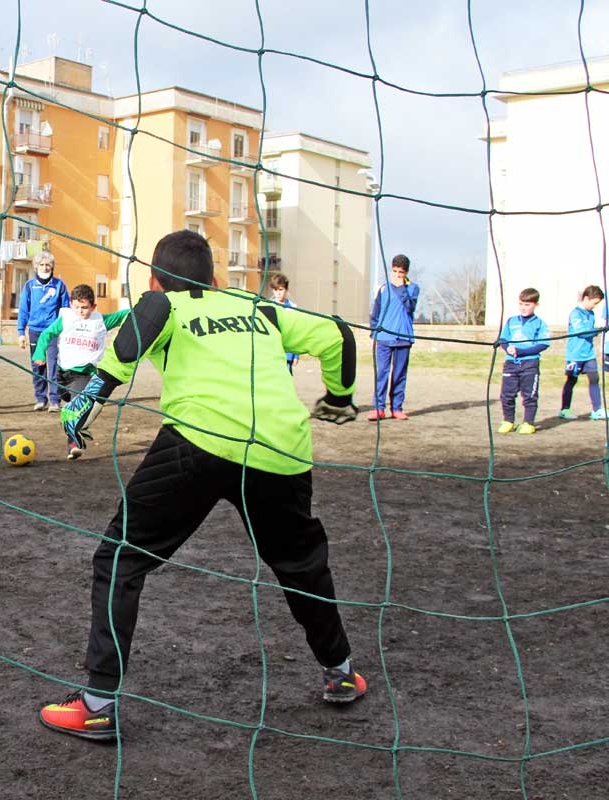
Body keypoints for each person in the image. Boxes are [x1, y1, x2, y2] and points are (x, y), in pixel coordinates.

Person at [39, 230, 364, 741]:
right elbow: (338, 334)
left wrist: (89, 397)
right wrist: (340, 397)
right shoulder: (261, 309)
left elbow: (147, 316)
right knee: (300, 566)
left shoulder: (164, 304)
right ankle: (341, 673)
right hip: (279, 449)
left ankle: (97, 706)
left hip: (198, 443)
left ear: (155, 279)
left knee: (119, 559)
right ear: (215, 280)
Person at [31, 283, 129, 459]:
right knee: (68, 399)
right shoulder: (66, 318)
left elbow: (123, 315)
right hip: (62, 374)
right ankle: (72, 402)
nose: (80, 311)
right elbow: (47, 334)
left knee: (76, 409)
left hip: (84, 375)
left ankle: (74, 444)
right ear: (71, 304)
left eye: (85, 308)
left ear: (93, 306)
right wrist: (39, 353)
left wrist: (142, 309)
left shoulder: (100, 321)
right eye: (76, 307)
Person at [17, 251, 70, 412]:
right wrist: (21, 333)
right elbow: (23, 311)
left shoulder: (60, 285)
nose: (45, 267)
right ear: (36, 266)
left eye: (48, 264)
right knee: (38, 366)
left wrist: (64, 329)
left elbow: (65, 309)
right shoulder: (29, 286)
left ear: (52, 266)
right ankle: (41, 398)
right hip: (35, 331)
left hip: (53, 332)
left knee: (54, 365)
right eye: (42, 264)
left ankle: (55, 400)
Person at [369, 254, 419, 420]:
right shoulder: (383, 289)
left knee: (399, 374)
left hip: (403, 337)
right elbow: (375, 313)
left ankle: (396, 407)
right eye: (395, 271)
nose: (397, 275)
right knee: (381, 372)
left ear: (406, 273)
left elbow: (410, 307)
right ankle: (379, 408)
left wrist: (400, 288)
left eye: (401, 272)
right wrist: (374, 332)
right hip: (383, 338)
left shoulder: (413, 288)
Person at [496, 288, 550, 435]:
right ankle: (508, 421)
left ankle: (528, 423)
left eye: (527, 304)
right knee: (506, 394)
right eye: (521, 304)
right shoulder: (511, 321)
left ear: (535, 305)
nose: (523, 307)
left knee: (529, 395)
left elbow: (543, 344)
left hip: (530, 364)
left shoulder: (540, 323)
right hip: (511, 363)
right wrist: (508, 349)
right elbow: (503, 339)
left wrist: (522, 351)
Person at [558, 285, 604, 421]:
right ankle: (564, 409)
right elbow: (582, 332)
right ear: (586, 298)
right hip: (575, 355)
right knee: (571, 380)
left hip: (588, 354)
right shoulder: (575, 314)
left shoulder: (591, 314)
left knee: (594, 379)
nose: (595, 306)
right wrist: (598, 330)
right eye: (594, 303)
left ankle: (597, 410)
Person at [268, 272, 299, 374]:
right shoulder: (267, 306)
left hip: (287, 353)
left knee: (286, 381)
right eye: (275, 290)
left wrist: (296, 354)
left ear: (286, 289)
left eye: (281, 289)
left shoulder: (293, 308)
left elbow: (296, 331)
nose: (278, 293)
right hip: (271, 352)